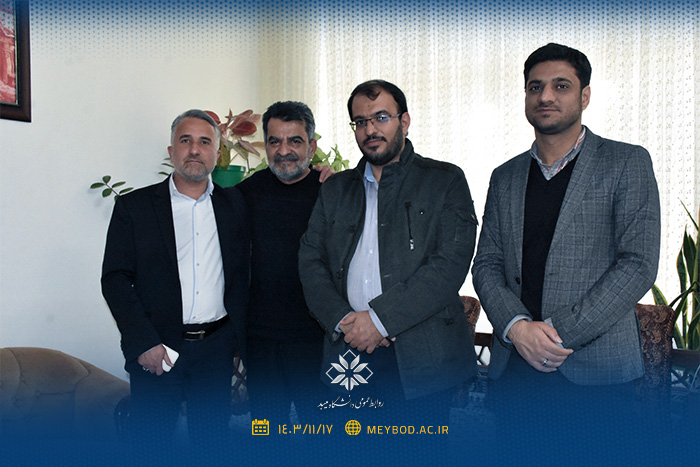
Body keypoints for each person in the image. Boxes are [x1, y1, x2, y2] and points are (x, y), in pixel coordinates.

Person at [471, 43, 661, 451]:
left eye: (561, 86)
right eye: (535, 87)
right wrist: (516, 328)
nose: (546, 96)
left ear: (584, 96)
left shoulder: (626, 162)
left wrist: (554, 335)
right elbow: (486, 263)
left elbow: (638, 263)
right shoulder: (505, 176)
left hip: (597, 377)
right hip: (514, 371)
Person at [298, 80, 478, 425]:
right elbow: (310, 262)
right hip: (348, 349)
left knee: (416, 448)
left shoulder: (445, 180)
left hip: (422, 356)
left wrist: (379, 321)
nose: (370, 130)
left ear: (404, 121)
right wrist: (345, 321)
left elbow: (449, 265)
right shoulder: (335, 189)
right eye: (360, 121)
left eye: (381, 117)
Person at [101, 109, 249, 452]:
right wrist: (144, 343)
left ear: (217, 154)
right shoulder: (135, 207)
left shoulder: (236, 205)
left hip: (216, 351)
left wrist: (326, 176)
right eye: (185, 141)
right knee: (151, 447)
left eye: (204, 142)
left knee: (212, 447)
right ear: (171, 151)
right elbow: (115, 279)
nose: (194, 149)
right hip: (158, 349)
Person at [235, 101, 330, 427]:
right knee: (267, 432)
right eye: (275, 141)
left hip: (317, 338)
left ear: (312, 147)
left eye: (295, 141)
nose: (284, 150)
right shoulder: (244, 194)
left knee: (323, 433)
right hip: (260, 339)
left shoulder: (332, 193)